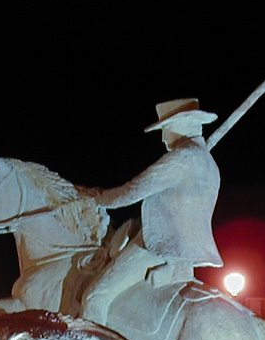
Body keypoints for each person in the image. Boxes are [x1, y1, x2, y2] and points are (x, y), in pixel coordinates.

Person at [79, 98, 223, 325]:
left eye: (166, 129)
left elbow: (135, 189)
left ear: (180, 125)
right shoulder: (207, 161)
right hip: (186, 254)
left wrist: (98, 199)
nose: (164, 137)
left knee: (96, 296)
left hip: (160, 245)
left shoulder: (183, 158)